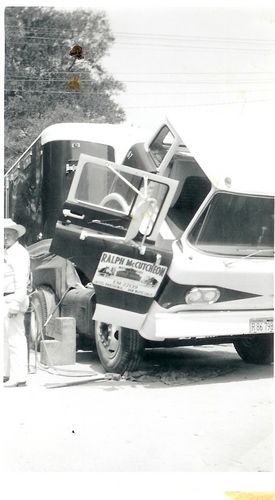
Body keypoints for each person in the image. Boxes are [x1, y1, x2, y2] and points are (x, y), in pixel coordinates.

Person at [3, 218, 30, 387]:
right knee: (5, 339)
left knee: (15, 339)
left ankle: (19, 377)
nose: (5, 237)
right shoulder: (5, 252)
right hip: (4, 298)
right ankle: (6, 373)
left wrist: (15, 304)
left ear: (16, 234)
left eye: (8, 234)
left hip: (14, 299)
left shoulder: (20, 253)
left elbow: (22, 282)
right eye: (3, 234)